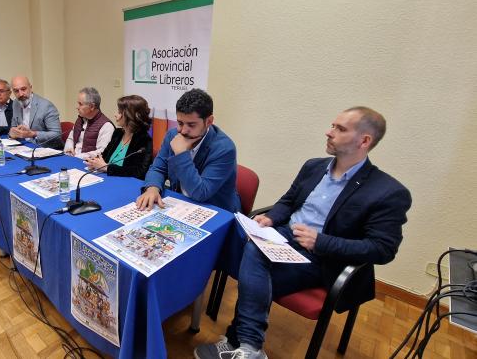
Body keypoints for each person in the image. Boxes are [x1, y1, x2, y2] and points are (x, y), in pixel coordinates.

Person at [194, 107, 412, 359]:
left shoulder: (387, 191)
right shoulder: (314, 167)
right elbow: (288, 201)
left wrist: (321, 241)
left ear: (365, 141)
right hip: (282, 237)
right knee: (229, 234)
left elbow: (382, 249)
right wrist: (271, 217)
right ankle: (248, 347)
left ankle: (241, 342)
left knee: (254, 261)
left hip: (320, 257)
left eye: (340, 129)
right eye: (332, 125)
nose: (328, 132)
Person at [135, 88, 239, 212]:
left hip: (214, 209)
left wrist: (181, 154)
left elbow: (201, 193)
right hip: (181, 204)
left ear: (209, 121)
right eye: (180, 123)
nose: (183, 131)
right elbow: (158, 168)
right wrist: (152, 188)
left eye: (191, 125)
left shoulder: (224, 148)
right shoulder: (173, 135)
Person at [0, 76, 62, 149]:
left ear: (31, 88)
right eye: (16, 91)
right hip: (23, 147)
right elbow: (13, 127)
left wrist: (33, 133)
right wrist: (12, 133)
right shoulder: (16, 103)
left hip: (45, 149)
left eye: (23, 89)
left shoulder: (46, 106)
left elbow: (57, 134)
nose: (20, 94)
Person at [84, 95, 153, 179]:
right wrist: (94, 163)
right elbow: (104, 157)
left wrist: (106, 168)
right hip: (107, 178)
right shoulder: (118, 133)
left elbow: (140, 172)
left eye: (120, 112)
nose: (115, 115)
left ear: (131, 116)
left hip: (126, 184)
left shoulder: (144, 140)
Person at [64, 87, 115, 159]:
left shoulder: (106, 126)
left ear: (92, 106)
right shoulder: (80, 119)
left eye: (80, 104)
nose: (77, 107)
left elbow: (101, 152)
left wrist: (78, 157)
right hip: (72, 159)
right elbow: (71, 139)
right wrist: (69, 149)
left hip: (88, 164)